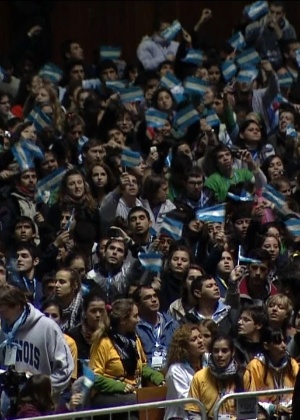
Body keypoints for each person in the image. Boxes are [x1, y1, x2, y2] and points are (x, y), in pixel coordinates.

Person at [89, 298, 165, 417]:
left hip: (133, 392)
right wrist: (120, 386)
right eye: (135, 316)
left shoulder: (134, 340)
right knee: (136, 401)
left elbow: (142, 366)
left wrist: (156, 376)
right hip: (106, 396)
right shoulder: (103, 342)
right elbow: (94, 377)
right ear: (123, 320)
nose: (138, 320)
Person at [0, 285, 74, 398]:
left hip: (42, 404)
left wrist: (41, 388)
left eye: (3, 311)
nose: (2, 316)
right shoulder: (6, 329)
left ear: (18, 306)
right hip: (13, 402)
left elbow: (66, 369)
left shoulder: (47, 327)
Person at [185, 334, 244, 419]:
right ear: (211, 353)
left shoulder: (243, 375)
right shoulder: (199, 377)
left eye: (224, 351)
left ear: (232, 352)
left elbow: (249, 411)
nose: (220, 355)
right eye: (216, 351)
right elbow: (193, 412)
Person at [244, 327, 298, 418]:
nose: (284, 345)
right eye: (278, 342)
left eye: (284, 341)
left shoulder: (292, 364)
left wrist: (291, 405)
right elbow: (248, 399)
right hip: (264, 413)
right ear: (266, 346)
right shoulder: (255, 366)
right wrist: (272, 408)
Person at [164, 324, 207, 420]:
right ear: (184, 347)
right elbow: (187, 403)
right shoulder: (176, 371)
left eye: (200, 337)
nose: (200, 341)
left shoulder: (209, 360)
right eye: (194, 339)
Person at [132, 285, 179, 369]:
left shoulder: (172, 324)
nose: (154, 300)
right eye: (147, 298)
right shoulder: (134, 327)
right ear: (138, 305)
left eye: (155, 296)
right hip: (146, 374)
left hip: (171, 372)